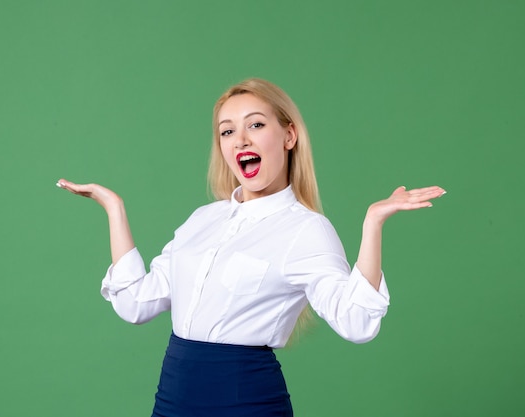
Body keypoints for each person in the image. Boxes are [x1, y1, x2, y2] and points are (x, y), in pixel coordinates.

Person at [56, 78, 446, 417]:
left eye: (255, 125)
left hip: (246, 402)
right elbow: (135, 304)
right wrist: (114, 209)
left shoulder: (305, 229)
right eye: (227, 131)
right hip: (173, 398)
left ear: (289, 135)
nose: (240, 139)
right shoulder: (202, 220)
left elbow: (357, 322)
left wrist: (372, 224)